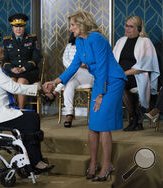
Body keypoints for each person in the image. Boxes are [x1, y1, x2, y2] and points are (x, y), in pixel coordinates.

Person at [43, 10, 127, 181]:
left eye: (73, 24)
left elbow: (103, 66)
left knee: (103, 124)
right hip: (100, 81)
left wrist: (101, 94)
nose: (70, 28)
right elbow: (74, 66)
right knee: (93, 126)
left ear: (82, 24)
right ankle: (94, 164)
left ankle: (106, 166)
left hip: (112, 81)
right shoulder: (80, 41)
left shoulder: (97, 38)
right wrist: (55, 81)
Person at [0, 33, 53, 173]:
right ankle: (34, 162)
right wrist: (39, 88)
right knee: (31, 119)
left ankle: (32, 159)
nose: (2, 49)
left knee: (31, 116)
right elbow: (14, 87)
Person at [113, 15, 160, 131]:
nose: (127, 29)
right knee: (115, 82)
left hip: (137, 76)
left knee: (120, 83)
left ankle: (134, 118)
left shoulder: (145, 42)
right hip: (120, 75)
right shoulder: (120, 41)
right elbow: (113, 61)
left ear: (138, 29)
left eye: (131, 26)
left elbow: (145, 65)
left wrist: (124, 73)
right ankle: (136, 117)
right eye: (126, 26)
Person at [43, 33, 94, 128]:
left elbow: (95, 62)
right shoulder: (69, 46)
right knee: (69, 84)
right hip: (74, 76)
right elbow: (65, 60)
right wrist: (75, 66)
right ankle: (69, 115)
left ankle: (55, 92)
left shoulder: (91, 44)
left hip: (88, 75)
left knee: (73, 72)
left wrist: (83, 65)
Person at [3, 13, 41, 109]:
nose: (18, 29)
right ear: (12, 27)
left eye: (21, 26)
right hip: (13, 72)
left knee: (21, 82)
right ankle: (12, 109)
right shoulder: (7, 41)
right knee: (11, 81)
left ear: (24, 27)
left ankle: (21, 110)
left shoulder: (32, 39)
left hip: (28, 71)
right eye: (16, 26)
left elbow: (36, 58)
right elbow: (4, 60)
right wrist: (12, 69)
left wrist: (24, 68)